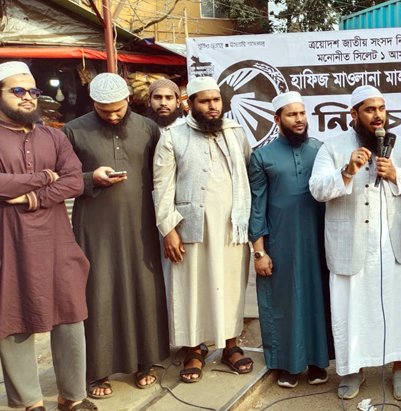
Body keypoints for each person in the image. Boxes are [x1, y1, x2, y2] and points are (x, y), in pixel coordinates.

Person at [309, 85, 401, 401]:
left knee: (399, 307)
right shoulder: (332, 146)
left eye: (381, 109)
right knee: (351, 309)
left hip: (390, 243)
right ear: (354, 114)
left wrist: (395, 173)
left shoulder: (397, 145)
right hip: (350, 243)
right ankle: (351, 369)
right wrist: (346, 172)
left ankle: (400, 367)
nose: (377, 116)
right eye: (370, 110)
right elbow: (317, 189)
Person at [64, 72, 169, 398]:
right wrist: (90, 178)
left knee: (143, 289)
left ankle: (145, 362)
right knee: (99, 291)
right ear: (93, 103)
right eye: (103, 110)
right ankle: (97, 371)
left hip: (140, 224)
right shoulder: (73, 130)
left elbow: (162, 176)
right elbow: (62, 178)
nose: (111, 116)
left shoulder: (148, 128)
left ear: (127, 100)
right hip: (95, 227)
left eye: (117, 110)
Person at [0, 61, 96, 411]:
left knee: (70, 312)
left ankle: (73, 396)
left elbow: (73, 181)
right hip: (9, 241)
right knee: (12, 316)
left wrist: (31, 197)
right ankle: (30, 401)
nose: (28, 97)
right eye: (18, 90)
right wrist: (43, 177)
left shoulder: (53, 136)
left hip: (56, 240)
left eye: (32, 91)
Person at [153, 76, 254, 383]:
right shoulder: (173, 136)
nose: (212, 107)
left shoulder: (235, 133)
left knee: (230, 285)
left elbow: (247, 172)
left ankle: (230, 345)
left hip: (231, 226)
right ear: (190, 104)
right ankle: (194, 350)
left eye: (216, 100)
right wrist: (168, 229)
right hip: (190, 225)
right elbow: (162, 186)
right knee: (191, 287)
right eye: (205, 101)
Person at [248, 91, 331, 388]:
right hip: (281, 242)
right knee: (285, 302)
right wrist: (259, 251)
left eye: (302, 113)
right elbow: (256, 206)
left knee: (318, 298)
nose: (299, 120)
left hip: (319, 240)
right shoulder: (262, 156)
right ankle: (289, 364)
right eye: (292, 114)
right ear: (277, 119)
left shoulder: (320, 150)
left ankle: (318, 361)